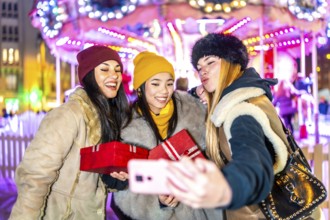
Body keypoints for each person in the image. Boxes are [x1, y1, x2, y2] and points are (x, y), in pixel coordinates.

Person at [164, 33, 322, 219]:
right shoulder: (241, 98)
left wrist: (224, 187)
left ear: (232, 63)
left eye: (210, 62)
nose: (203, 71)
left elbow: (252, 162)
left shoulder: (241, 111)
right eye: (199, 67)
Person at [9, 45, 131, 220]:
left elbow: (89, 179)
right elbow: (35, 177)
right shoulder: (68, 115)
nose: (114, 75)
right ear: (89, 76)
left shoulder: (107, 118)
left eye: (118, 70)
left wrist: (114, 177)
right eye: (104, 69)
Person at [102, 51, 216, 219]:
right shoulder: (123, 127)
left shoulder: (195, 113)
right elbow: (118, 188)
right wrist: (158, 201)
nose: (164, 91)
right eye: (155, 84)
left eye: (169, 83)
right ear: (140, 88)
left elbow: (214, 160)